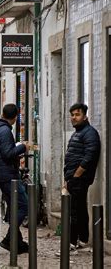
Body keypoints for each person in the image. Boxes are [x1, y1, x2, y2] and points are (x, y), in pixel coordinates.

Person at [0, 104, 30, 254]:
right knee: (23, 205)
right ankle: (9, 239)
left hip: (1, 173)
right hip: (7, 175)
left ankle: (17, 242)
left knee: (14, 206)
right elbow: (8, 153)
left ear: (2, 114)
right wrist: (23, 146)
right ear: (16, 117)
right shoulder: (4, 131)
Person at [63, 103, 100, 250]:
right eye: (72, 115)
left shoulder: (90, 133)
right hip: (73, 178)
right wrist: (67, 178)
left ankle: (71, 243)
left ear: (85, 116)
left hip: (79, 179)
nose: (73, 117)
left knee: (74, 212)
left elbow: (90, 156)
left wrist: (76, 175)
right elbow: (71, 156)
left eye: (77, 115)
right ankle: (83, 239)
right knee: (80, 209)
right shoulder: (78, 132)